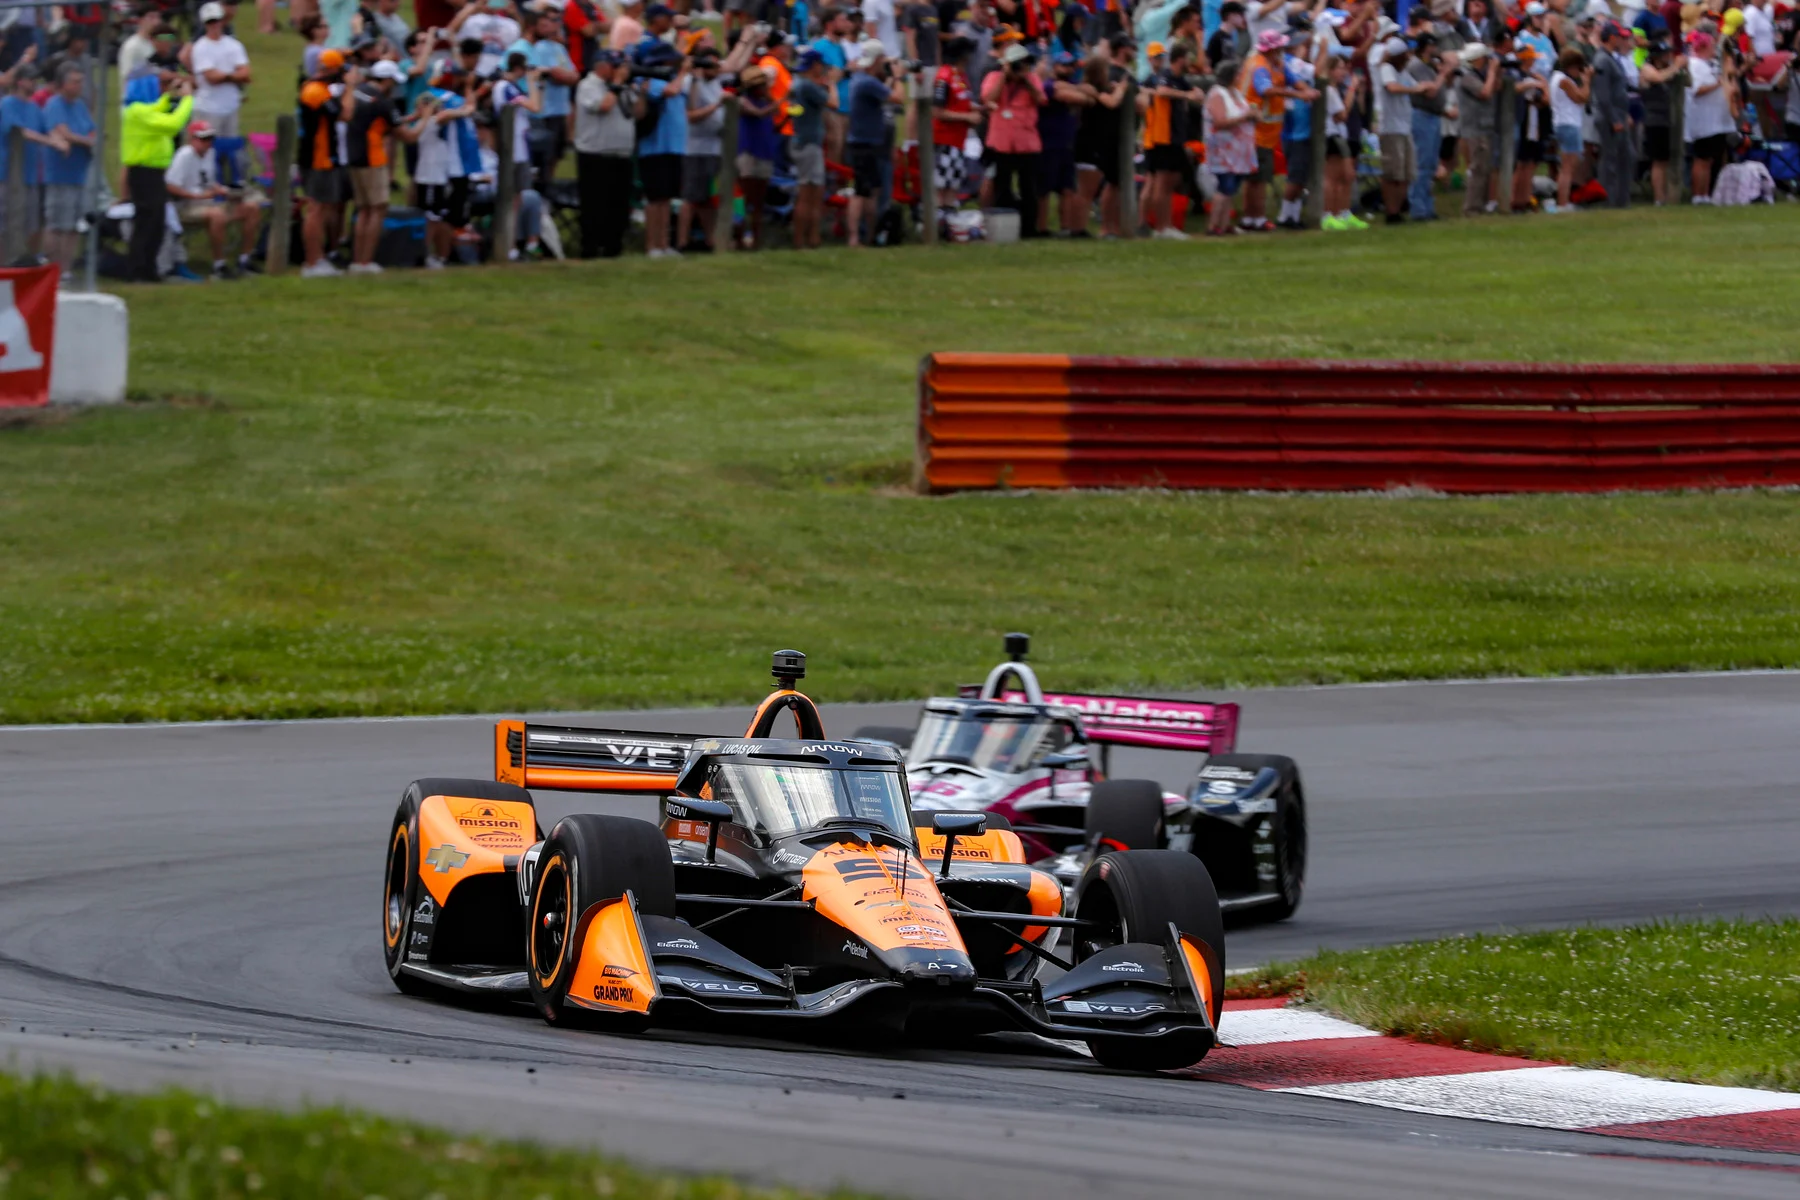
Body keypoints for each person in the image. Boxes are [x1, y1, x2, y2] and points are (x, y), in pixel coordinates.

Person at [344, 58, 426, 271]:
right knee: (377, 209)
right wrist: (424, 119)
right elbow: (407, 137)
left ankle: (356, 261)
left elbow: (385, 124)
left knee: (363, 210)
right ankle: (366, 262)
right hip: (374, 159)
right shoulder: (383, 102)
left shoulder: (359, 92)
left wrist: (411, 117)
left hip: (354, 156)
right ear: (387, 80)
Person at [120, 69, 192, 283]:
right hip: (143, 172)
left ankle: (149, 268)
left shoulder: (142, 109)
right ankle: (138, 270)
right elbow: (172, 124)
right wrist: (188, 99)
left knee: (157, 222)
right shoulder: (136, 111)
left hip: (154, 172)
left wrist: (171, 95)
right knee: (147, 222)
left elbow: (158, 107)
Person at [165, 120, 263, 278]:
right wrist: (198, 196)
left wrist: (226, 191)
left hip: (208, 202)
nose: (207, 142)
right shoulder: (184, 156)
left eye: (210, 138)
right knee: (217, 215)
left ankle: (244, 260)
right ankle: (220, 266)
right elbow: (170, 186)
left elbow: (208, 182)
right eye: (203, 139)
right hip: (186, 207)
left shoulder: (210, 153)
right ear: (192, 139)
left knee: (252, 208)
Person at [1374, 36, 1448, 224]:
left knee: (1407, 172)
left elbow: (1420, 86)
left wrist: (1434, 80)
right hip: (1390, 127)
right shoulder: (1387, 69)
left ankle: (1399, 209)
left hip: (1404, 126)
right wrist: (1416, 90)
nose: (1408, 57)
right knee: (1393, 173)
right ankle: (1392, 212)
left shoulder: (1403, 71)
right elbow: (1392, 87)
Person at [572, 48, 636, 257]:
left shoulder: (621, 87)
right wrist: (617, 84)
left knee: (618, 205)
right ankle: (590, 248)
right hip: (595, 154)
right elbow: (604, 105)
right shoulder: (588, 85)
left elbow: (638, 112)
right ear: (602, 66)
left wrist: (639, 90)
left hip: (621, 153)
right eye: (616, 67)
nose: (620, 71)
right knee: (595, 205)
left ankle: (613, 247)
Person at [1238, 28, 1301, 231]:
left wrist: (1305, 89)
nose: (1282, 50)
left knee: (1256, 178)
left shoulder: (1276, 65)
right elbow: (1264, 89)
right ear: (1271, 49)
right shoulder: (1260, 67)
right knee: (1258, 179)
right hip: (1256, 130)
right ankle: (1256, 218)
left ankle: (1251, 218)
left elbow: (1293, 79)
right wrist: (1298, 95)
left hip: (1264, 132)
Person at [632, 37, 690, 257]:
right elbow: (669, 92)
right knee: (655, 199)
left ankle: (664, 244)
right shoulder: (650, 81)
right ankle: (651, 245)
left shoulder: (675, 79)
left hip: (675, 146)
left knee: (667, 199)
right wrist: (683, 73)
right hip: (655, 146)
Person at [981, 42, 1045, 237]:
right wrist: (1004, 76)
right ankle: (1004, 228)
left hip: (1027, 142)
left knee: (1029, 189)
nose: (1020, 67)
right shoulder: (993, 77)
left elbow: (1041, 100)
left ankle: (1029, 229)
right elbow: (988, 98)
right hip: (1002, 142)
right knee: (1002, 187)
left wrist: (1025, 80)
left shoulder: (1032, 79)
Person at [298, 48, 350, 276]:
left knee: (324, 207)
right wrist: (350, 87)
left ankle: (319, 257)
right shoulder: (314, 90)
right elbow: (343, 113)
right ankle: (312, 261)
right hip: (316, 158)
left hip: (326, 156)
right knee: (316, 209)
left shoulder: (322, 89)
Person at [845, 41, 901, 246]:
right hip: (865, 143)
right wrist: (897, 76)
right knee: (861, 191)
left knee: (870, 190)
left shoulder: (860, 79)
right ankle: (855, 237)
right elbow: (897, 98)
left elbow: (880, 95)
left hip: (865, 142)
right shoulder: (867, 82)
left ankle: (869, 235)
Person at [41, 64, 96, 273]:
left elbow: (91, 130)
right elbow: (63, 132)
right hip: (59, 173)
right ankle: (52, 266)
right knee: (57, 223)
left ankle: (66, 268)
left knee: (74, 225)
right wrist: (87, 142)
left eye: (81, 81)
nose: (79, 85)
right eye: (75, 81)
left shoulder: (80, 105)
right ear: (63, 84)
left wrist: (88, 140)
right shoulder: (54, 105)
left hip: (79, 173)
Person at [1072, 45, 1130, 237]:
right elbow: (1112, 102)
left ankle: (1097, 227)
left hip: (1099, 143)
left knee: (1098, 186)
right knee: (1087, 190)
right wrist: (1120, 89)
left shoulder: (1101, 88)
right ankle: (1078, 228)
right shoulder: (1092, 89)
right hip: (1090, 143)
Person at [514, 4, 576, 183]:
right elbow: (551, 75)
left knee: (556, 154)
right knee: (541, 158)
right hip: (542, 110)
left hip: (560, 110)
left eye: (559, 19)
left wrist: (561, 74)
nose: (557, 24)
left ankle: (548, 194)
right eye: (553, 19)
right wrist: (561, 74)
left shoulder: (558, 47)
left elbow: (573, 75)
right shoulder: (535, 47)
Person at [492, 50, 544, 257]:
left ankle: (515, 242)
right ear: (519, 69)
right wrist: (534, 83)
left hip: (519, 149)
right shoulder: (505, 87)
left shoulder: (510, 87)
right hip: (513, 151)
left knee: (518, 199)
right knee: (511, 200)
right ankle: (509, 244)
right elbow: (535, 106)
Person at [1140, 41, 1195, 236]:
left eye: (1161, 56)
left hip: (1172, 137)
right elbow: (1162, 92)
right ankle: (1160, 226)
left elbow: (1196, 93)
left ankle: (1154, 225)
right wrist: (1187, 95)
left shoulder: (1176, 78)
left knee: (1165, 181)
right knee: (1160, 183)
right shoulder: (1158, 78)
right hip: (1161, 137)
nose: (1159, 60)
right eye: (1156, 57)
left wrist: (1189, 94)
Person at [1037, 48, 1088, 234]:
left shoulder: (1072, 82)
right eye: (1064, 66)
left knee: (1067, 188)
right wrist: (1080, 91)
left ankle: (1065, 227)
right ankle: (1041, 227)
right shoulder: (1048, 85)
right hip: (1048, 144)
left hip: (1066, 144)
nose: (1068, 69)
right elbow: (1076, 96)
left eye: (1070, 66)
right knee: (1044, 189)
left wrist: (1079, 89)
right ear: (1055, 67)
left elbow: (1087, 92)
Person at [1202, 57, 1255, 235]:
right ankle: (1213, 225)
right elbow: (1220, 121)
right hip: (1222, 150)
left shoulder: (1236, 93)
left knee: (1232, 188)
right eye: (1238, 73)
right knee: (1224, 185)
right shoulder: (1217, 94)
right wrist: (1245, 118)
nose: (1241, 76)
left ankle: (1224, 224)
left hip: (1239, 151)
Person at [678, 49, 724, 254]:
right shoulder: (692, 83)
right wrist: (716, 106)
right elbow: (692, 114)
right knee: (691, 197)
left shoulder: (716, 83)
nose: (713, 69)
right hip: (696, 148)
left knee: (707, 198)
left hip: (714, 148)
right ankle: (682, 241)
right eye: (708, 65)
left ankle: (710, 240)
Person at [931, 35, 980, 216]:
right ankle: (938, 220)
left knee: (954, 182)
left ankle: (950, 217)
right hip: (944, 140)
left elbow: (962, 103)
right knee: (942, 183)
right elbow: (937, 112)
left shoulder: (960, 77)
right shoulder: (944, 77)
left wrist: (981, 108)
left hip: (958, 140)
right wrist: (967, 117)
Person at [790, 48, 834, 248]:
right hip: (809, 143)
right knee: (810, 193)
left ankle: (806, 238)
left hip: (799, 139)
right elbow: (833, 102)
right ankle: (807, 238)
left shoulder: (797, 84)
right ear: (815, 65)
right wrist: (831, 83)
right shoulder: (807, 85)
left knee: (808, 191)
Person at [1319, 51, 1366, 229]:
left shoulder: (1335, 89)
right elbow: (1341, 114)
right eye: (1339, 68)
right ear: (1330, 70)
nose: (1344, 72)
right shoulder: (1329, 90)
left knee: (1345, 177)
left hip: (1342, 136)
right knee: (1332, 177)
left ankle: (1343, 213)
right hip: (1332, 135)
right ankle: (1328, 214)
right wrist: (1352, 89)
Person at [734, 63, 779, 248]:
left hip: (764, 151)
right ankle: (740, 238)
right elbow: (758, 114)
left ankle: (757, 239)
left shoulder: (765, 101)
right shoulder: (743, 101)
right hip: (747, 152)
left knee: (759, 200)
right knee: (745, 198)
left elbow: (772, 118)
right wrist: (780, 101)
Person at [1277, 29, 1318, 229]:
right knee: (1296, 176)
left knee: (1301, 177)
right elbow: (1317, 71)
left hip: (1302, 128)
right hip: (1295, 130)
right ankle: (1285, 216)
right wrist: (1325, 46)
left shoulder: (1292, 63)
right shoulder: (1289, 63)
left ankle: (1293, 216)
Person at [1684, 29, 1731, 202]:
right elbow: (1697, 89)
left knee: (1709, 159)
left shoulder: (1707, 64)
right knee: (1702, 158)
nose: (1714, 50)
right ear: (1702, 47)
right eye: (1711, 46)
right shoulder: (1695, 65)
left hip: (1713, 120)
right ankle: (1698, 195)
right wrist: (1717, 84)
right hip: (1702, 120)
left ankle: (1706, 194)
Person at [1590, 21, 1632, 209]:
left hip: (1618, 114)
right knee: (1610, 159)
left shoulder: (1610, 58)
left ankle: (1620, 199)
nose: (1623, 40)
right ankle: (1608, 199)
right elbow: (1603, 94)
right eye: (1620, 37)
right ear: (1612, 37)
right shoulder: (1602, 60)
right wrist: (1614, 118)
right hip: (1609, 117)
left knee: (1625, 156)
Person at [1403, 36, 1446, 221]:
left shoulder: (1429, 66)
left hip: (1434, 117)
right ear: (1427, 47)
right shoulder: (1416, 66)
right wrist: (1444, 73)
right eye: (1434, 45)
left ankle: (1428, 207)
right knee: (1421, 163)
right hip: (1422, 116)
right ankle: (1418, 208)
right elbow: (1430, 91)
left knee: (1430, 164)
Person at [1638, 36, 1682, 205]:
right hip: (1653, 120)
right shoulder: (1646, 68)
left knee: (1665, 160)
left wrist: (1679, 68)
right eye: (1664, 54)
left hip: (1667, 119)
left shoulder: (1668, 69)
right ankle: (1658, 197)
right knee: (1658, 160)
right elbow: (1658, 78)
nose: (1668, 57)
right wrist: (1676, 66)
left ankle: (1666, 195)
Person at [1548, 45, 1590, 211]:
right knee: (1567, 168)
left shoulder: (1557, 78)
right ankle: (1562, 203)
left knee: (1567, 166)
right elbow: (1581, 97)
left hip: (1564, 123)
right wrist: (1587, 82)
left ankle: (1563, 201)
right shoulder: (1563, 80)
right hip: (1568, 124)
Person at [814, 6, 854, 160]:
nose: (847, 24)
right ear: (830, 24)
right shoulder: (820, 47)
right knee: (834, 151)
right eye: (842, 20)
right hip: (831, 108)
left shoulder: (842, 47)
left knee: (845, 154)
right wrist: (845, 71)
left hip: (847, 107)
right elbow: (824, 77)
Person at [451, 0, 521, 75]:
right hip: (473, 72)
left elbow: (521, 39)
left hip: (498, 73)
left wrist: (515, 14)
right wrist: (474, 7)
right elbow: (450, 31)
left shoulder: (510, 24)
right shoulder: (471, 20)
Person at [118, 11, 161, 90]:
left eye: (158, 17)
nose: (157, 22)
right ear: (140, 20)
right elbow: (128, 75)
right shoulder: (132, 46)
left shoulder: (157, 44)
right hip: (137, 98)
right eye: (151, 17)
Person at [1206, 1, 1248, 71]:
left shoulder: (1229, 37)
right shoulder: (1218, 38)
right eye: (1240, 14)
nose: (1243, 18)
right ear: (1230, 16)